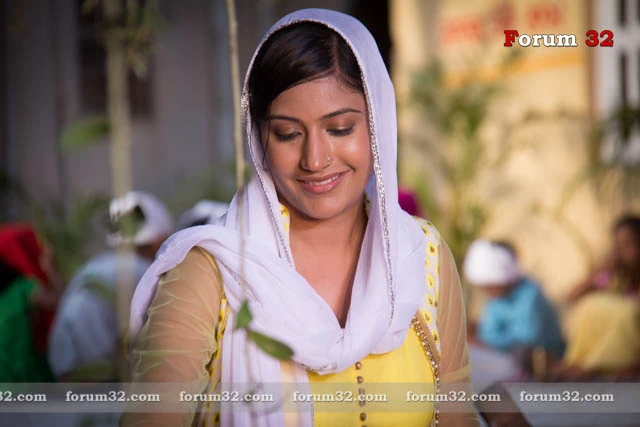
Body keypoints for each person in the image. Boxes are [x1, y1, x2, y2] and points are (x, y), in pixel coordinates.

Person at [125, 9, 477, 427]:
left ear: (378, 125)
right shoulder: (214, 272)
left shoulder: (421, 256)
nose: (315, 159)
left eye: (340, 128)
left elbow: (457, 416)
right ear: (259, 138)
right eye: (288, 134)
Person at [48, 191, 174, 380]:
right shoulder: (145, 275)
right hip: (102, 376)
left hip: (65, 371)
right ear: (159, 238)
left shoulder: (94, 265)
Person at [558, 214, 640, 380]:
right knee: (590, 304)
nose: (621, 252)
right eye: (617, 245)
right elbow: (571, 297)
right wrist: (603, 269)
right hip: (615, 360)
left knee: (629, 312)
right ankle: (583, 365)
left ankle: (591, 369)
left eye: (627, 244)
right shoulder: (615, 277)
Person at [464, 239, 565, 362]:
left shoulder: (530, 295)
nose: (486, 291)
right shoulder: (496, 300)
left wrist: (481, 343)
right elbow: (489, 331)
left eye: (489, 286)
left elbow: (525, 341)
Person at [0, 256, 58, 382]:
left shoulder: (20, 289)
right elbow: (62, 302)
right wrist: (51, 270)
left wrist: (50, 270)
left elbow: (60, 303)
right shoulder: (22, 288)